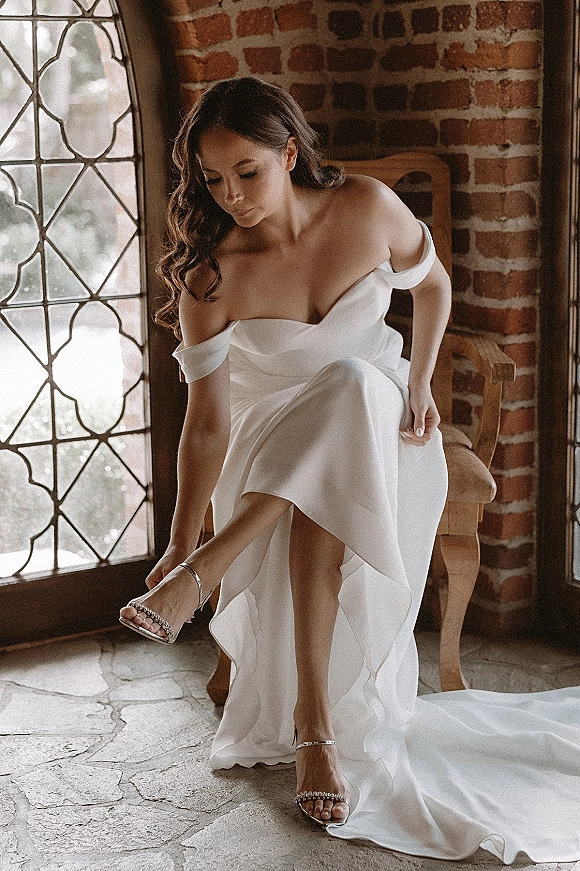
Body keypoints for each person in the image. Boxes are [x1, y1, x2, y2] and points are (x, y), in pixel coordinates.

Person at [120, 77, 580, 862]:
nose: (231, 195)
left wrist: (423, 379)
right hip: (268, 448)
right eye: (212, 179)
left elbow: (432, 285)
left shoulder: (365, 208)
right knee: (335, 410)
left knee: (354, 384)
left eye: (248, 172)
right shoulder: (210, 274)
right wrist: (177, 532)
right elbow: (207, 425)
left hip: (385, 431)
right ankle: (310, 724)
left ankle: (221, 590)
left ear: (289, 152)